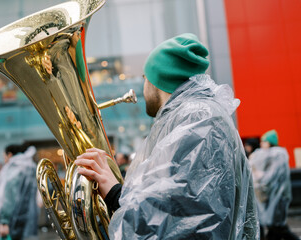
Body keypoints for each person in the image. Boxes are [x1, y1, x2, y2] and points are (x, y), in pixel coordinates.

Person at [74, 33, 259, 239]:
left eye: (145, 79)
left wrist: (115, 192)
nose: (143, 88)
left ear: (158, 80)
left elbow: (175, 220)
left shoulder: (198, 118)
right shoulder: (193, 116)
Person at [0, 143, 38, 240]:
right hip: (27, 217)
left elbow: (8, 196)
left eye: (4, 156)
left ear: (9, 155)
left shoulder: (15, 167)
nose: (4, 160)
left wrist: (4, 221)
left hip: (13, 219)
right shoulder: (30, 166)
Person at [249, 130, 299, 240]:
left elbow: (270, 176)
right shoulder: (273, 155)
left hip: (279, 197)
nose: (262, 144)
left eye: (264, 142)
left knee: (277, 227)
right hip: (275, 196)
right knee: (274, 228)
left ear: (270, 142)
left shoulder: (277, 154)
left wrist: (258, 175)